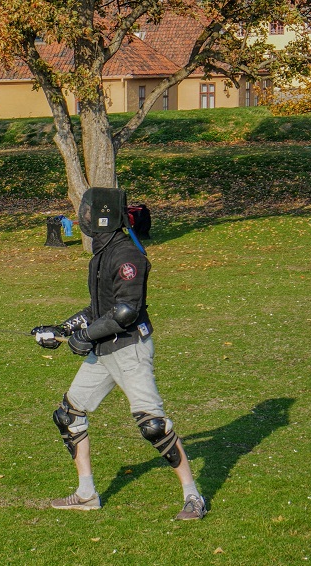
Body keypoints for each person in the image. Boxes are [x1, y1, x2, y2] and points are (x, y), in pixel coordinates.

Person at [31, 187, 206, 520]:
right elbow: (99, 308)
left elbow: (126, 311)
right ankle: (86, 495)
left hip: (130, 350)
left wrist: (84, 336)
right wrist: (62, 329)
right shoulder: (101, 253)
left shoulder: (127, 256)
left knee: (153, 425)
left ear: (102, 216)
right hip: (105, 349)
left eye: (87, 211)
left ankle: (193, 496)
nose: (82, 216)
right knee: (68, 415)